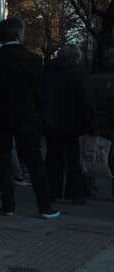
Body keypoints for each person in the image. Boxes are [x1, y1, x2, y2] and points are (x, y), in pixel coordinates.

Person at [0, 17, 59, 218]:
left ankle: (7, 204)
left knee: (2, 160)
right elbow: (39, 92)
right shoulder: (34, 60)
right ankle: (44, 205)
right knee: (34, 161)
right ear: (20, 34)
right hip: (27, 115)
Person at [42, 45, 93, 204]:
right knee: (74, 159)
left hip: (51, 122)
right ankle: (74, 193)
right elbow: (86, 99)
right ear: (77, 57)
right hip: (74, 122)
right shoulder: (79, 73)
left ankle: (53, 191)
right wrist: (89, 120)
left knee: (53, 157)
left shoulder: (47, 71)